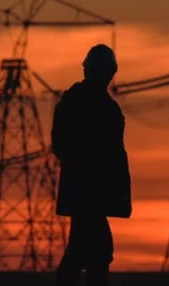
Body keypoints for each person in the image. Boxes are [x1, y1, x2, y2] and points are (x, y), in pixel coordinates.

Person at [51, 44, 132, 286]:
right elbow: (65, 147)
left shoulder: (84, 104)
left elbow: (61, 147)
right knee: (95, 253)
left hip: (87, 193)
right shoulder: (86, 104)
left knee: (86, 252)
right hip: (89, 194)